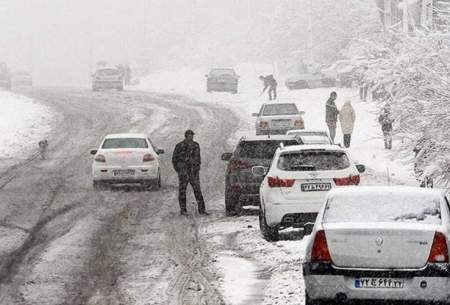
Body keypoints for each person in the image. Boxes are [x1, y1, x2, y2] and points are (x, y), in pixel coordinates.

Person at [172, 130, 208, 216]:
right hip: (184, 172)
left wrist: (196, 168)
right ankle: (183, 210)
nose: (191, 137)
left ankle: (202, 210)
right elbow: (174, 159)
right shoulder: (179, 146)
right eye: (190, 135)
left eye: (192, 135)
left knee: (197, 191)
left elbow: (198, 158)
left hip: (193, 172)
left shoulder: (196, 145)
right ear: (186, 136)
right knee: (182, 191)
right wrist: (179, 170)